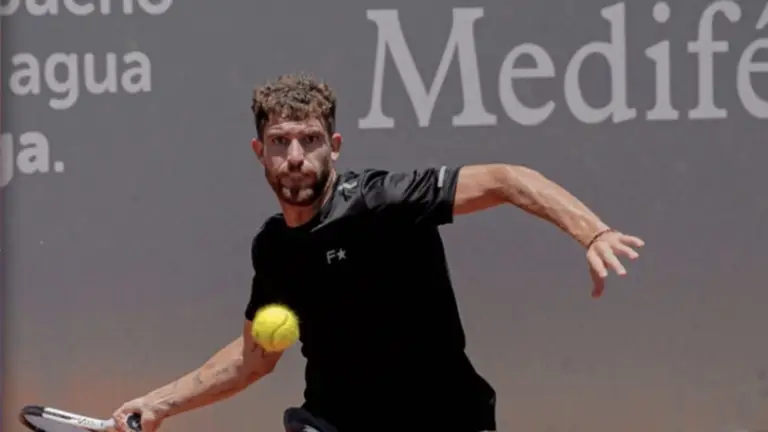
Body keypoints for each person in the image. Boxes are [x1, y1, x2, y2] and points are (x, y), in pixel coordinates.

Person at [112, 73, 644, 432]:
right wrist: (158, 404)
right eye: (280, 141)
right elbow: (253, 359)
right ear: (260, 152)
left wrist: (593, 233)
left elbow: (507, 180)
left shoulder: (384, 202)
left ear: (334, 147)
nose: (295, 156)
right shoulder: (274, 248)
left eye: (309, 140)